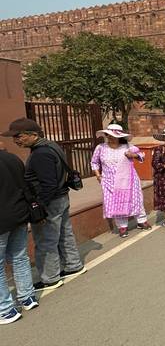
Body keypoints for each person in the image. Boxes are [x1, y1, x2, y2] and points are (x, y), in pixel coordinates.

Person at [3, 118, 85, 291]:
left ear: (33, 134)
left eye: (19, 136)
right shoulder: (50, 146)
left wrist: (40, 208)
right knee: (64, 234)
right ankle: (73, 265)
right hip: (61, 197)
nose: (16, 140)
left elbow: (48, 184)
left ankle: (50, 278)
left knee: (46, 240)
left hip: (51, 201)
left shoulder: (41, 154)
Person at [91, 124, 153, 237]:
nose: (110, 137)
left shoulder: (128, 146)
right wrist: (98, 176)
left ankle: (141, 221)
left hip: (129, 180)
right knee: (117, 203)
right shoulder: (101, 148)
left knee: (135, 200)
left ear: (120, 137)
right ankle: (122, 226)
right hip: (110, 182)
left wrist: (132, 155)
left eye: (113, 136)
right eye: (108, 135)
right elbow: (94, 162)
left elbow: (142, 156)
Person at [0, 144, 38, 325]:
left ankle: (6, 309)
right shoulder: (13, 159)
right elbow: (25, 186)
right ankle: (28, 297)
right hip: (19, 214)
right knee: (19, 257)